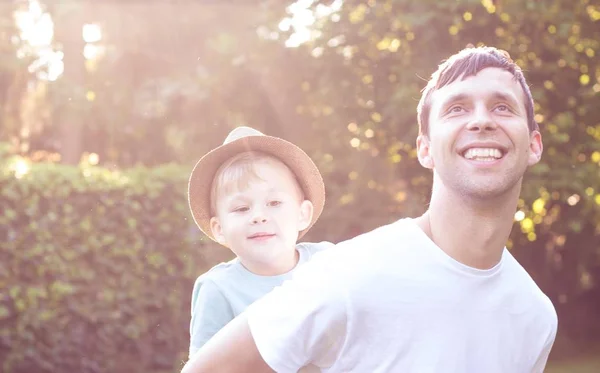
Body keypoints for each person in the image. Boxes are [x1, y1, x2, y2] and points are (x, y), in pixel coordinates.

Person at [182, 46, 558, 373]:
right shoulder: (346, 274)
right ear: (424, 148)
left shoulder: (535, 316)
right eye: (457, 108)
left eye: (502, 106)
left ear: (534, 145)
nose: (481, 120)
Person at [186, 126, 333, 360]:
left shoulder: (327, 262)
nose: (259, 216)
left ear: (302, 213)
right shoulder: (219, 288)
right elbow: (206, 367)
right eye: (242, 208)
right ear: (219, 229)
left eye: (274, 203)